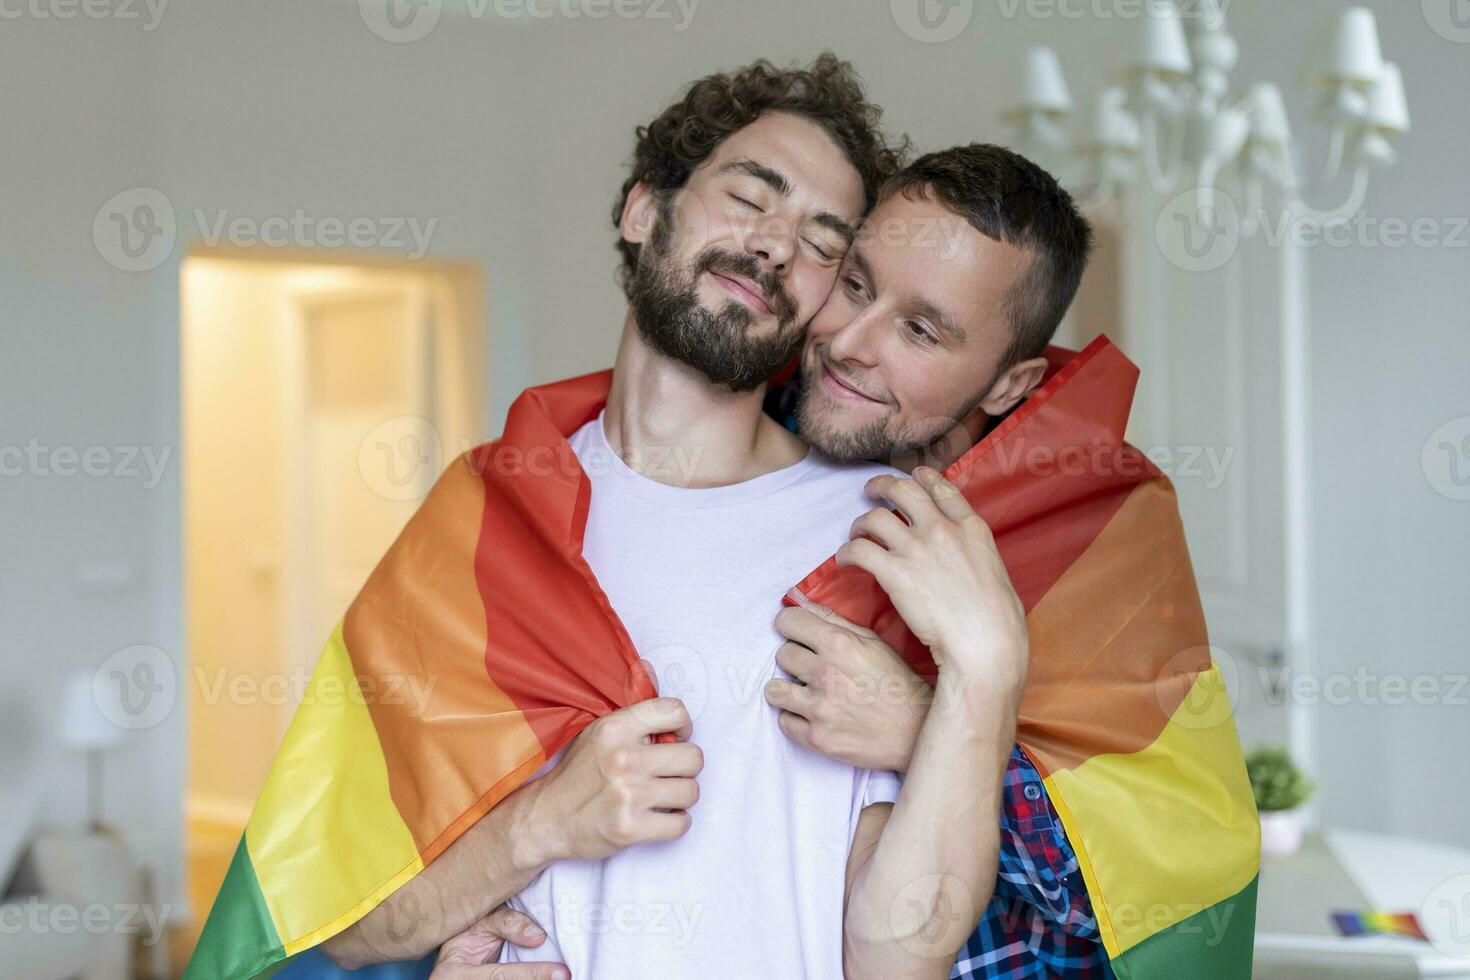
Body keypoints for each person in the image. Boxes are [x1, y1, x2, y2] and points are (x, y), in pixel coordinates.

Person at [321, 55, 1030, 980]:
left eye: (825, 243)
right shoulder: (483, 520)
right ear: (645, 209)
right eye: (750, 196)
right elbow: (345, 918)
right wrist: (539, 825)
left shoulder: (881, 542)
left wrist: (975, 689)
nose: (778, 246)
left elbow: (904, 955)